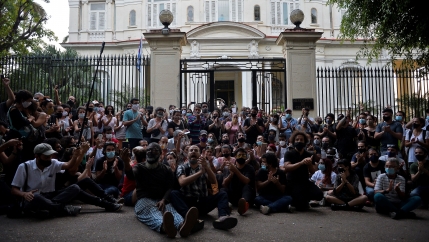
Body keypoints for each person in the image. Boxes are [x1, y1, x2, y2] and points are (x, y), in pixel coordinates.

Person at [122, 143, 198, 238]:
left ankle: (182, 226)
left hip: (161, 199)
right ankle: (165, 227)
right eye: (149, 150)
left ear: (160, 154)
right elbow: (130, 176)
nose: (151, 153)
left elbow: (170, 187)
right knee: (153, 213)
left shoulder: (166, 170)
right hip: (144, 200)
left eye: (154, 151)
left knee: (171, 211)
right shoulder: (140, 167)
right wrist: (126, 163)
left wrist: (164, 200)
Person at [169, 145, 238, 230]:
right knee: (173, 194)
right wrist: (200, 173)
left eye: (196, 150)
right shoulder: (182, 167)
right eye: (191, 150)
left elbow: (214, 182)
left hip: (203, 201)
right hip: (188, 203)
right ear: (187, 154)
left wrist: (207, 167)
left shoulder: (204, 166)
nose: (193, 151)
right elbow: (182, 182)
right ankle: (190, 218)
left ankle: (223, 217)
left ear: (200, 155)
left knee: (222, 193)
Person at [11, 144, 83, 218]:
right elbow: (14, 190)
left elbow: (68, 165)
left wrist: (75, 156)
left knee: (75, 188)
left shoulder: (53, 162)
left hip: (50, 196)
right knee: (36, 197)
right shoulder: (24, 166)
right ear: (37, 156)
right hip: (32, 198)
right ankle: (63, 209)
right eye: (46, 157)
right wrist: (24, 194)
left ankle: (48, 208)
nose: (49, 159)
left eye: (50, 156)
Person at [284, 131, 324, 210]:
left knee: (319, 194)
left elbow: (313, 171)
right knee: (300, 206)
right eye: (297, 140)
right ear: (293, 141)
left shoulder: (309, 154)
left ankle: (304, 199)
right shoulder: (289, 153)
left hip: (304, 181)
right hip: (292, 182)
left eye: (301, 140)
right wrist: (301, 163)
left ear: (305, 142)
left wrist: (309, 164)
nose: (299, 141)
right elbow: (287, 167)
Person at [221, 148, 255, 215]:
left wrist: (236, 170)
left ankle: (243, 205)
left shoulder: (249, 168)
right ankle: (226, 205)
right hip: (233, 194)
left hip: (245, 195)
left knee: (247, 187)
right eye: (239, 155)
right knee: (223, 190)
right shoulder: (229, 167)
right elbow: (224, 184)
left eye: (243, 155)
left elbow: (246, 181)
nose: (241, 157)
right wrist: (231, 175)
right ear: (235, 156)